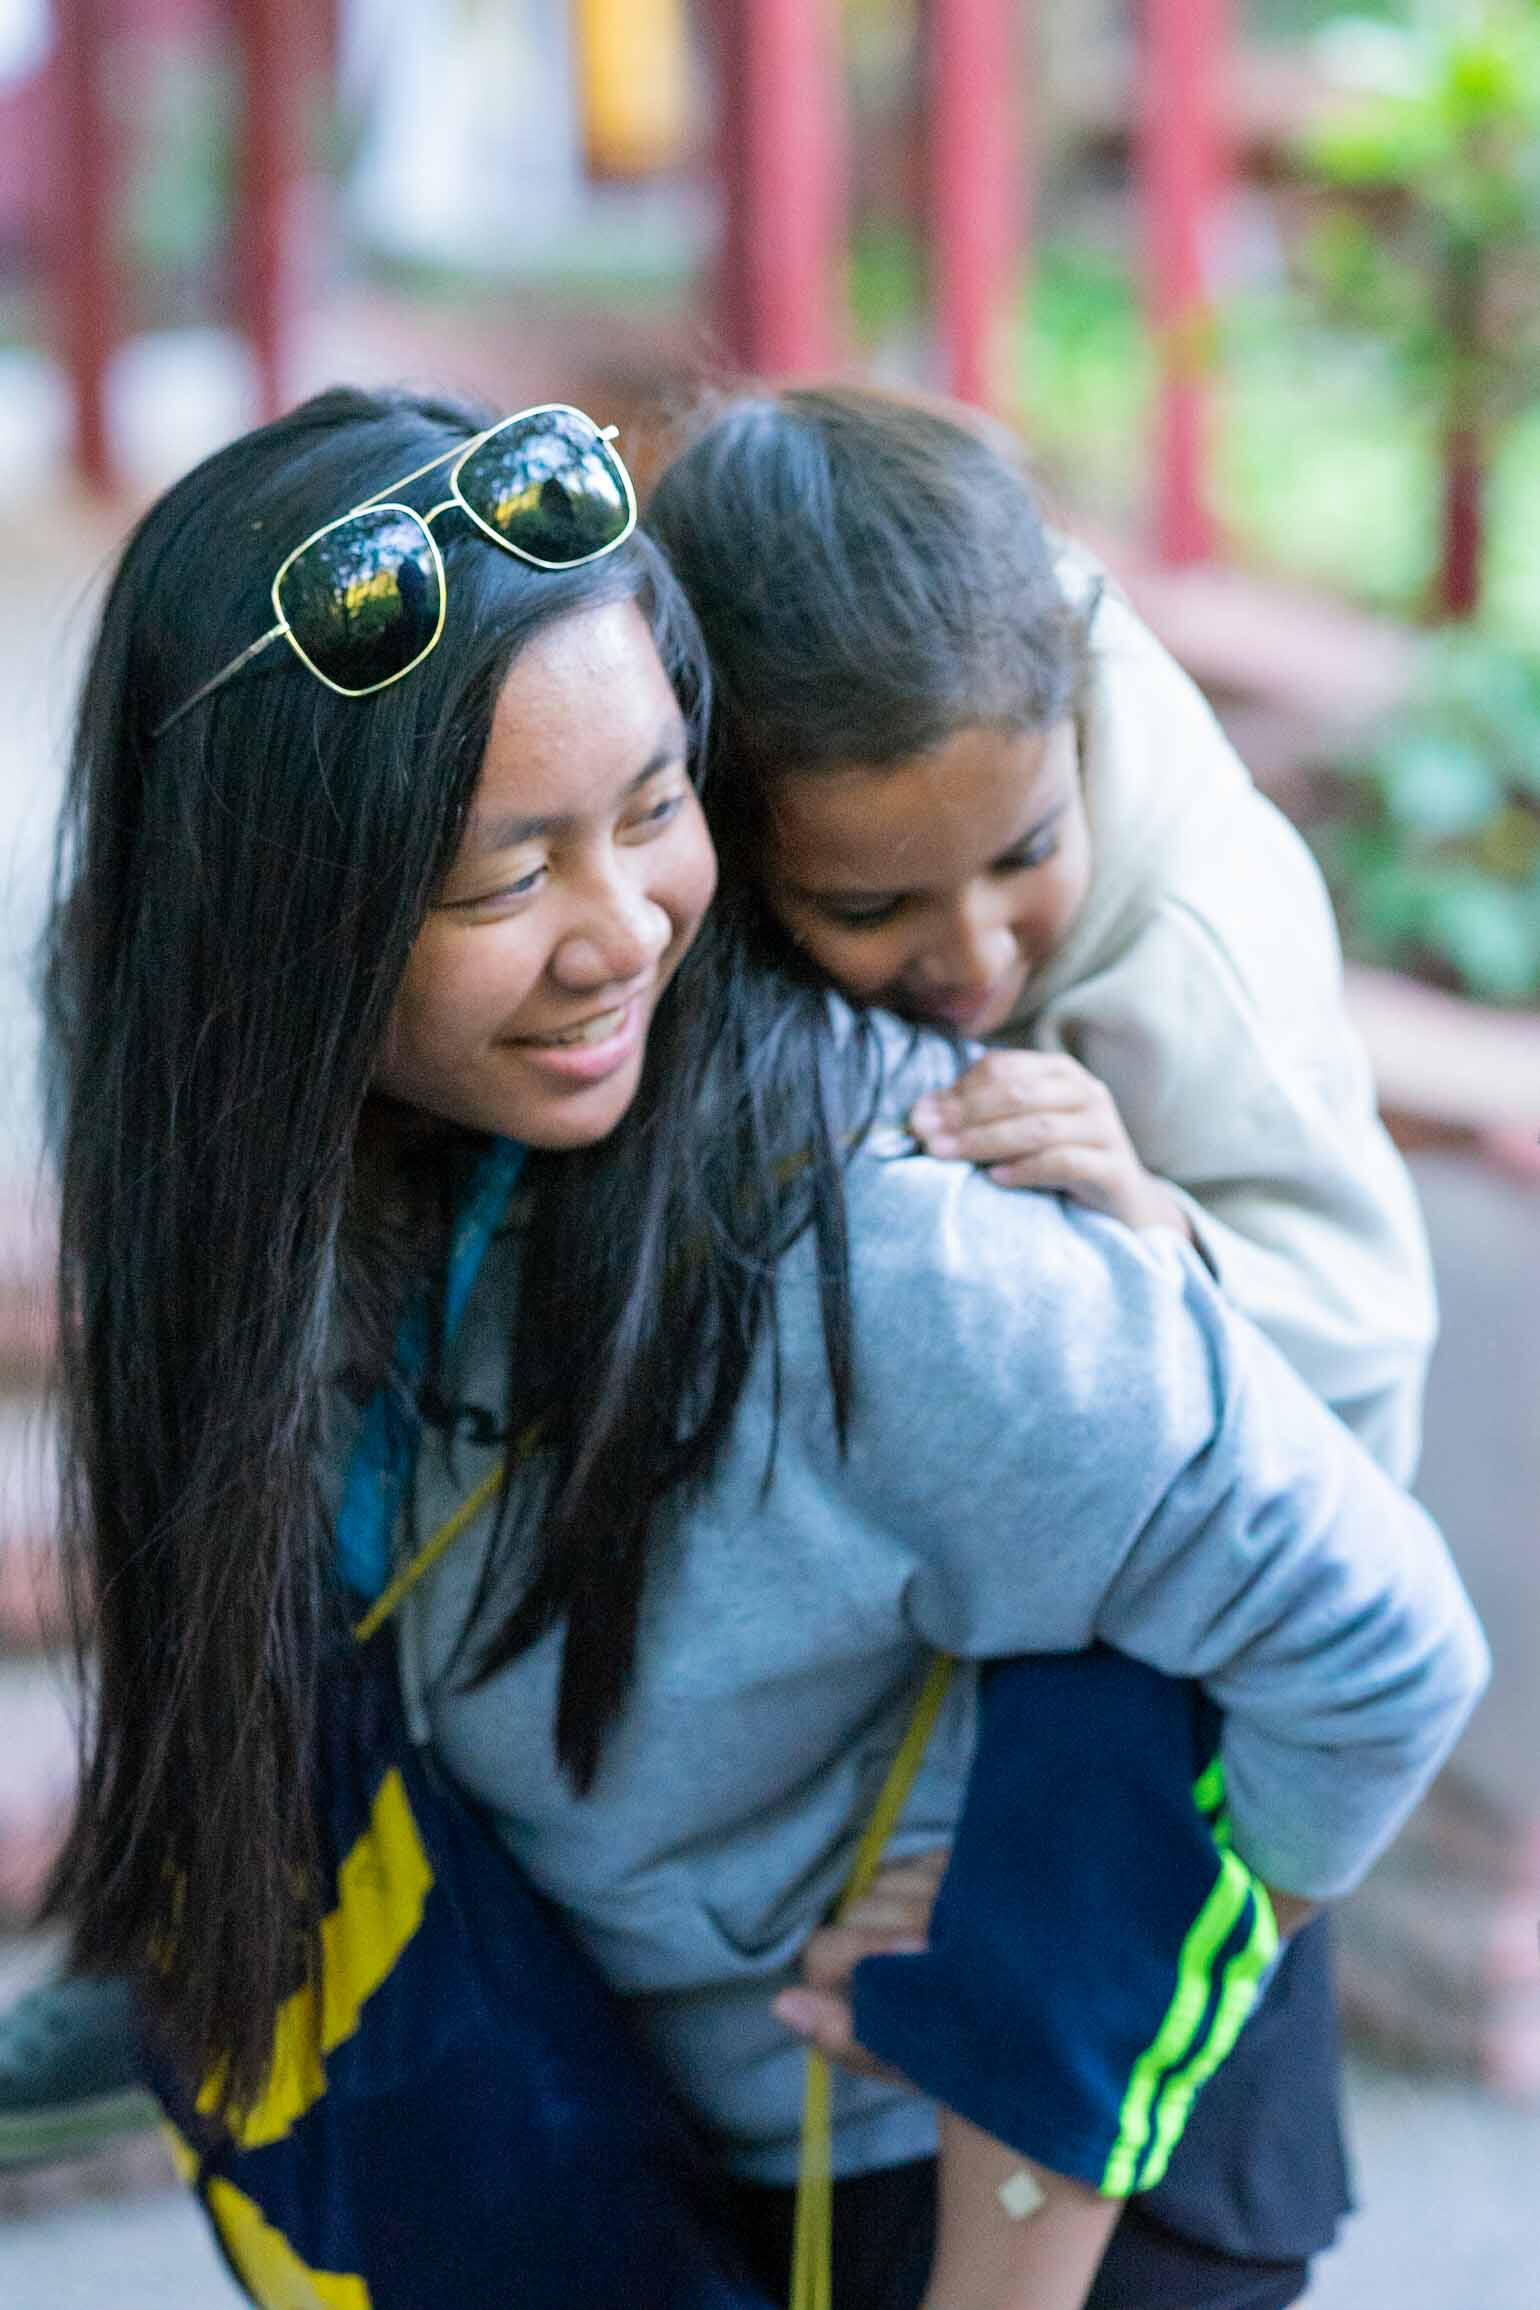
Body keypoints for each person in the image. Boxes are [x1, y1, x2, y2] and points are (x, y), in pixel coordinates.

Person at [31, 386, 1485, 2310]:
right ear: (272, 915)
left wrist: (1062, 1969)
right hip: (637, 2118)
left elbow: (1377, 1629)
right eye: (507, 874)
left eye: (656, 810)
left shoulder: (902, 1226)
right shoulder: (244, 1122)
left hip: (948, 2157)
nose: (626, 931)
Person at [642, 380, 1447, 2302]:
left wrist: (1164, 1232)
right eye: (869, 904)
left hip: (1172, 1763)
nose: (978, 953)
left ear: (1074, 720)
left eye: (1024, 855)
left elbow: (1364, 1406)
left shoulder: (1197, 956)